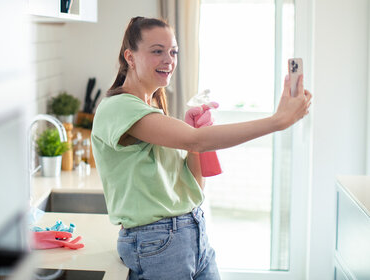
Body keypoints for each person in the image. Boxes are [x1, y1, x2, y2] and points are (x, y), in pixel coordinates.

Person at [90, 16, 312, 279]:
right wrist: (277, 122)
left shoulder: (153, 112)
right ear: (130, 56)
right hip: (157, 243)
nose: (169, 60)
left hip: (193, 232)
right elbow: (194, 141)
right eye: (157, 51)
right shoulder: (118, 107)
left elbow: (195, 186)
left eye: (173, 51)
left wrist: (196, 136)